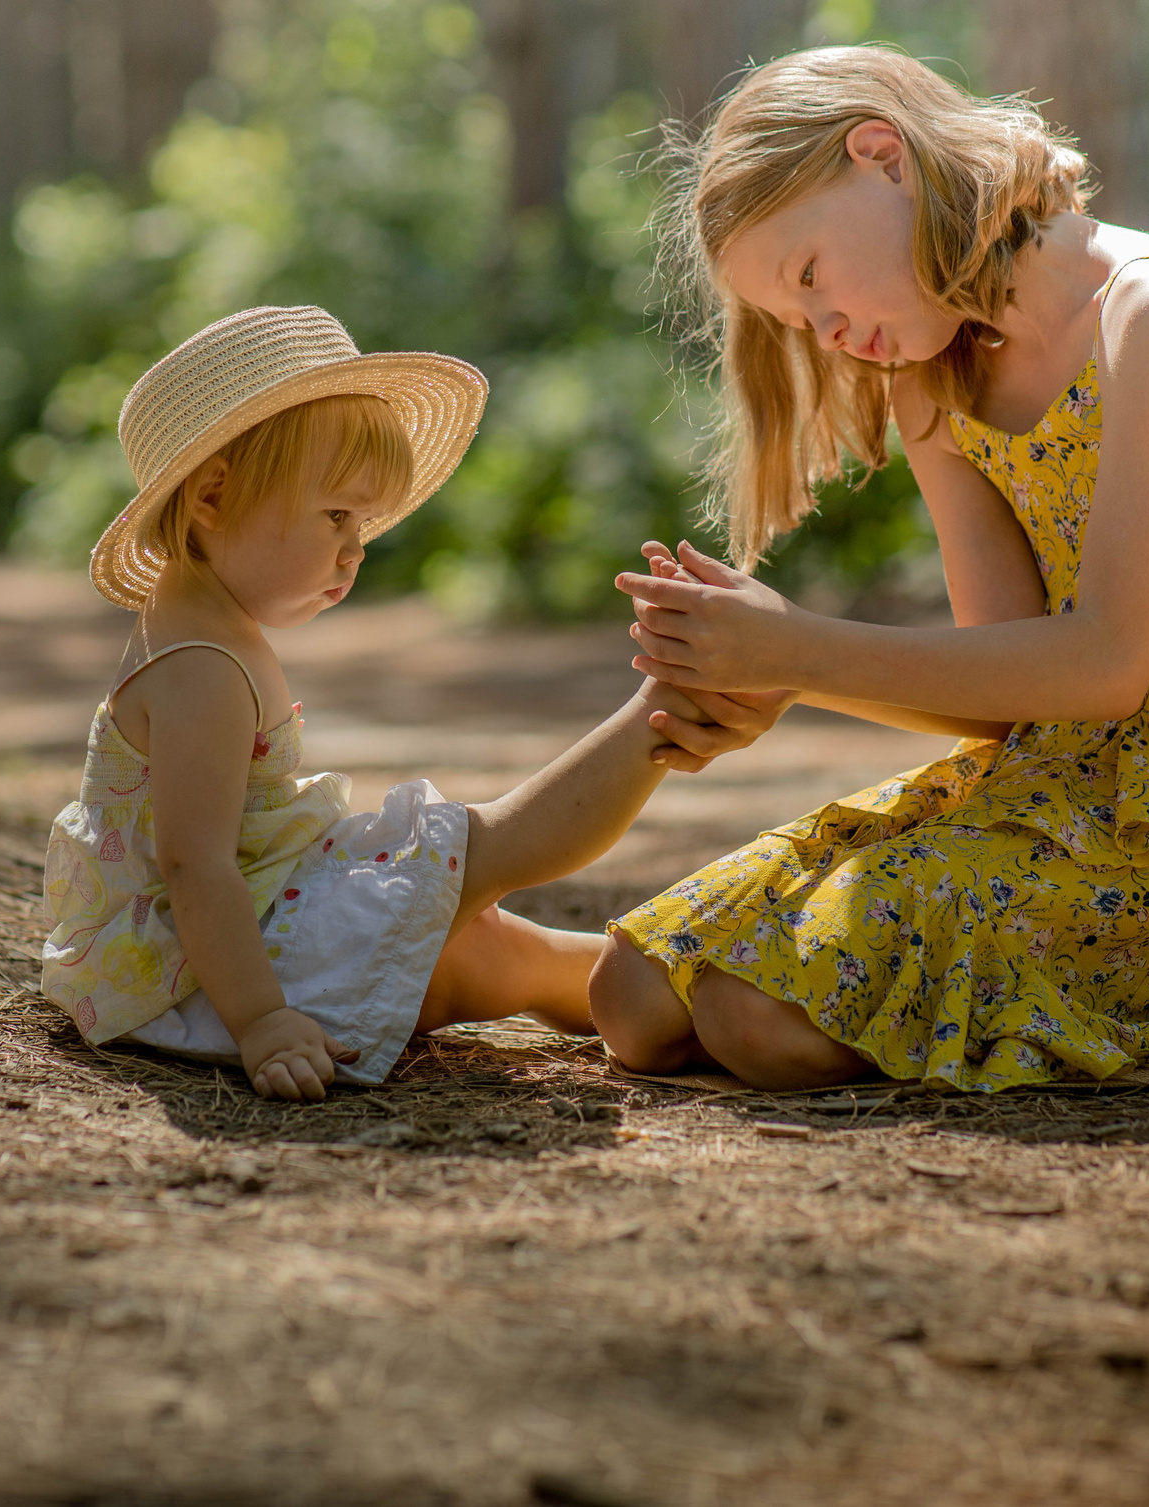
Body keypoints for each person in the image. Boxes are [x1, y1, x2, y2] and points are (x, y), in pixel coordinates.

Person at [588, 44, 1149, 1093]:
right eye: (796, 322)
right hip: (1045, 783)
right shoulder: (935, 382)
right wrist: (781, 674)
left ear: (883, 157)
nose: (825, 331)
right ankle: (1102, 990)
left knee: (761, 1021)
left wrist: (799, 648)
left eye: (811, 276)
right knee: (630, 996)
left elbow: (1106, 666)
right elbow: (1004, 703)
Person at [40, 305, 784, 1101]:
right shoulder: (200, 669)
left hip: (252, 925)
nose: (356, 547)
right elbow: (196, 866)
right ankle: (655, 723)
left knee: (494, 948)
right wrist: (262, 1021)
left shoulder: (196, 626)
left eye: (363, 521)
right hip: (215, 973)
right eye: (336, 515)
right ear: (213, 496)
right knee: (478, 853)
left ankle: (678, 984)